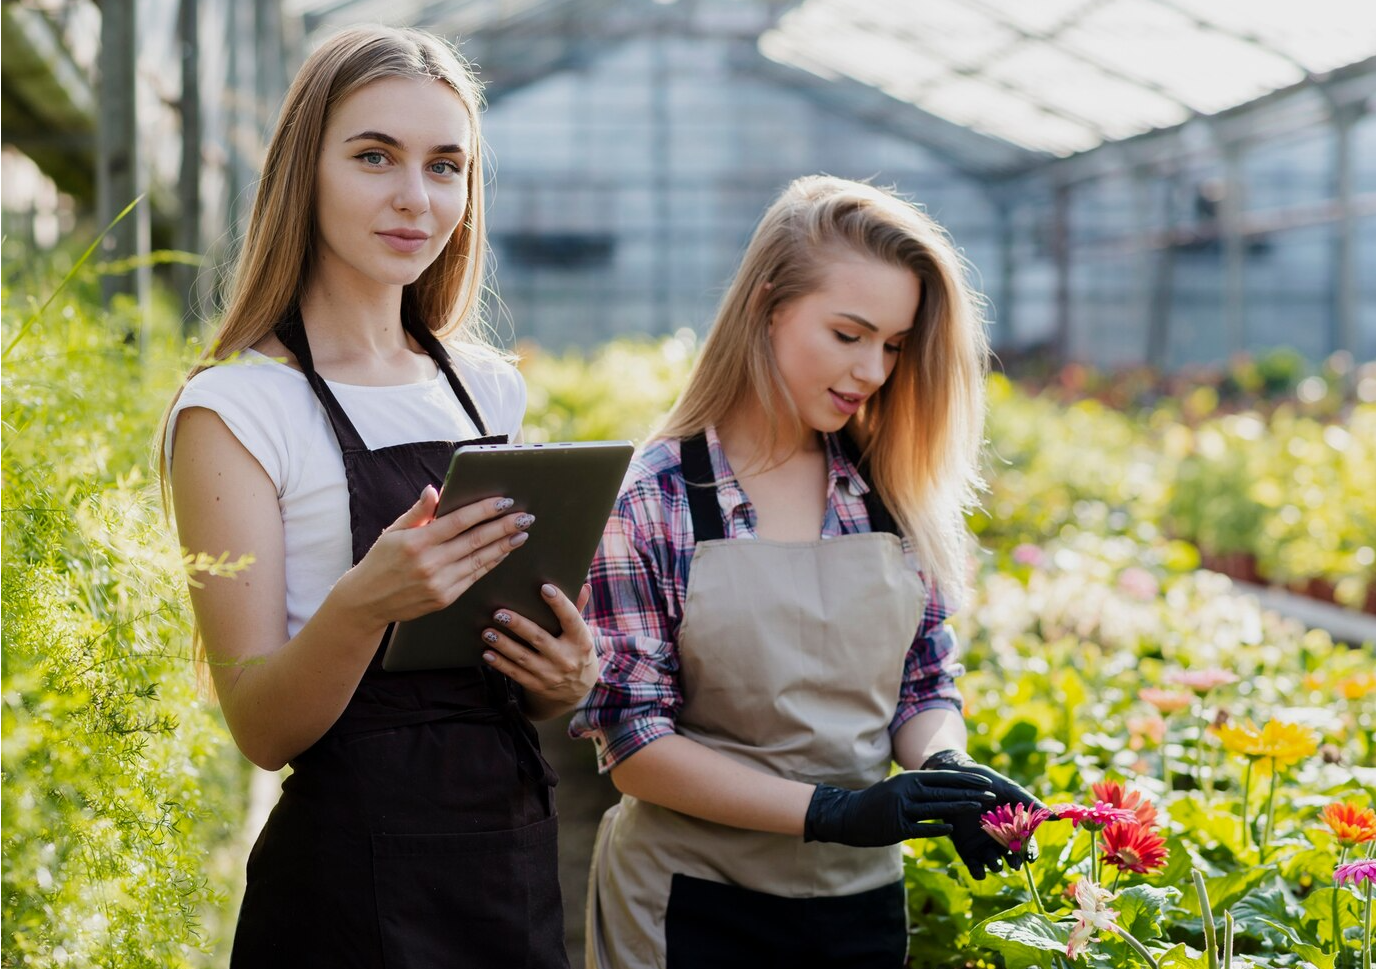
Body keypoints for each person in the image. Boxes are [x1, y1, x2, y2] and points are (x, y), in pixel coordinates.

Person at [159, 26, 594, 969]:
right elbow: (263, 728)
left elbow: (499, 673)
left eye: (447, 166)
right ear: (301, 173)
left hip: (510, 869)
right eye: (373, 156)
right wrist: (367, 601)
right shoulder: (235, 408)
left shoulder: (489, 389)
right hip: (346, 892)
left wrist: (560, 681)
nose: (416, 197)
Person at [571, 175, 1043, 968]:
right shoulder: (656, 497)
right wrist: (833, 810)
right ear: (767, 306)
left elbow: (924, 685)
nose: (874, 369)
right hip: (687, 899)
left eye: (893, 344)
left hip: (857, 903)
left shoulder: (892, 493)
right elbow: (636, 744)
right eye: (849, 334)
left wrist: (947, 769)